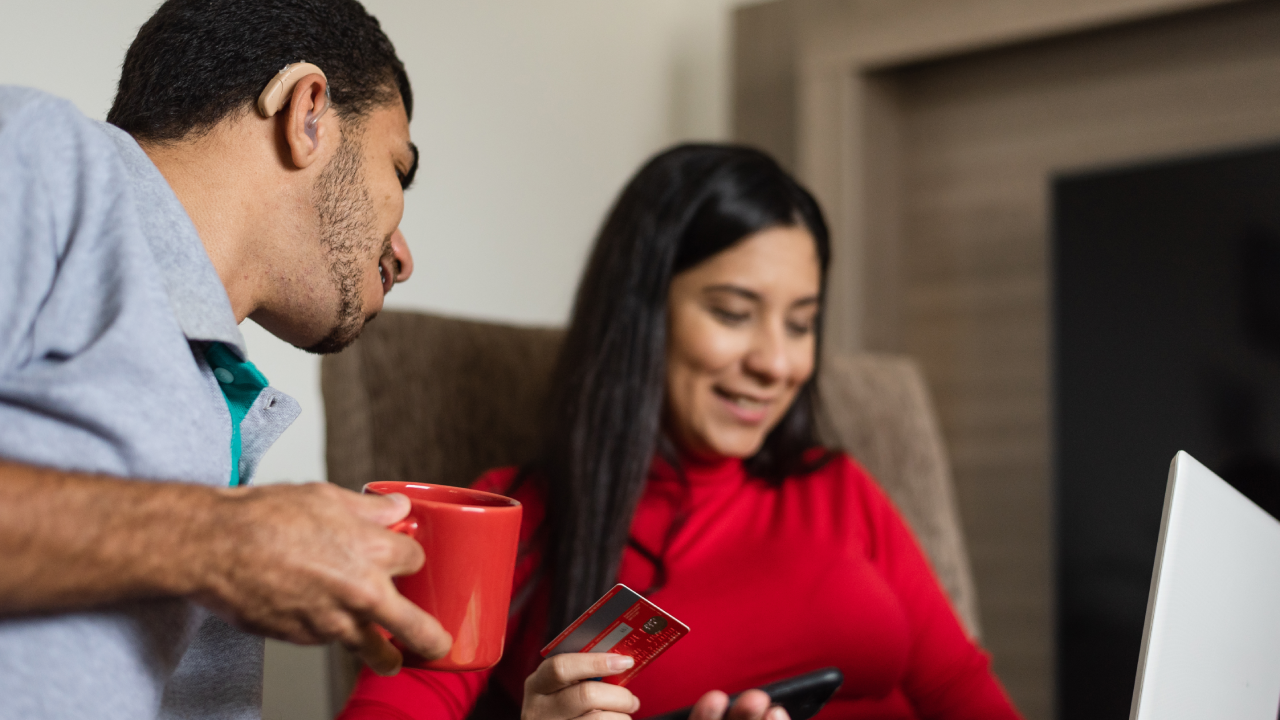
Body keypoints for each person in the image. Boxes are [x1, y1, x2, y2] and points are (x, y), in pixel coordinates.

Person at [338, 145, 1023, 720]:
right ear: (642, 316)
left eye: (801, 323)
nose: (776, 363)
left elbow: (966, 695)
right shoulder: (506, 519)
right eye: (733, 313)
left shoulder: (838, 489)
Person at [0, 1, 453, 718]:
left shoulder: (217, 394)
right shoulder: (37, 157)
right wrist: (216, 539)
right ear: (307, 112)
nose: (403, 255)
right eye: (398, 169)